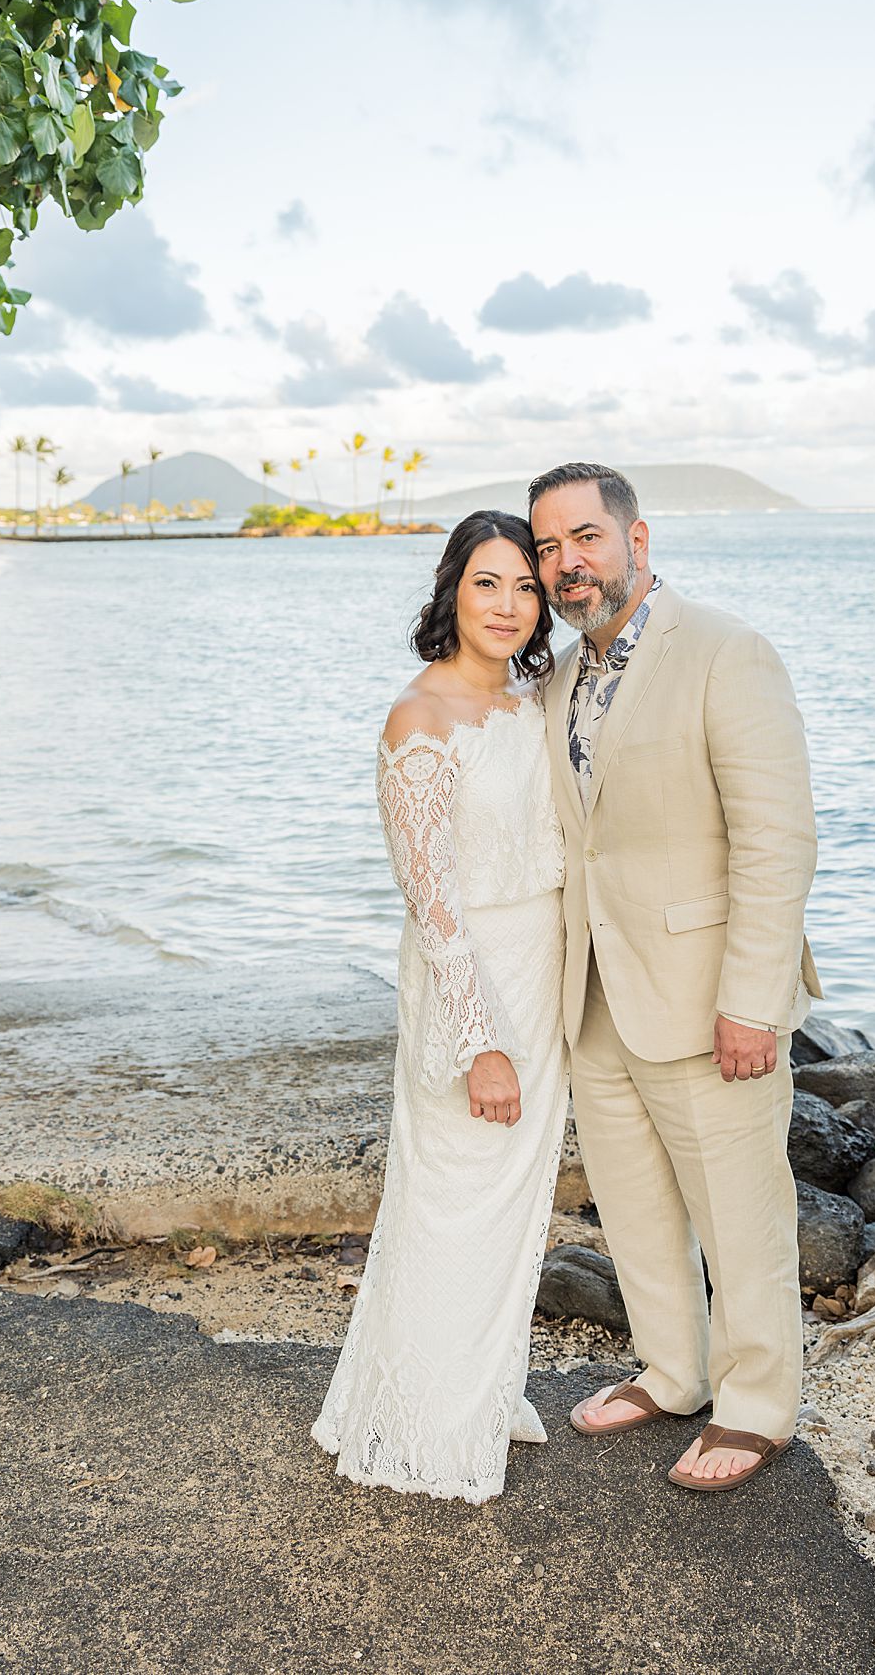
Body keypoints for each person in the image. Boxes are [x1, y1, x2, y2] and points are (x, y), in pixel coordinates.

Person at [529, 462, 822, 1492]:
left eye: (586, 538)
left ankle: (757, 1407)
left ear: (636, 538)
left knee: (740, 1209)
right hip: (598, 990)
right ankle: (672, 1368)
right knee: (634, 1197)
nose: (568, 563)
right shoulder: (559, 677)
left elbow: (777, 835)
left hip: (708, 996)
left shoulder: (725, 651)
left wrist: (753, 998)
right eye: (549, 547)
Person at [311, 511, 569, 1504]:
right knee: (450, 1201)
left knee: (513, 1204)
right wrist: (481, 1043)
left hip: (542, 977)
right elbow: (434, 901)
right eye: (486, 584)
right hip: (475, 988)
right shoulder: (417, 719)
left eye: (524, 587)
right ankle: (419, 1420)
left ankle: (480, 1384)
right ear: (451, 591)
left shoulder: (534, 698)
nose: (507, 606)